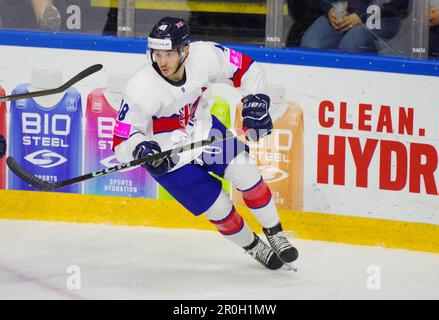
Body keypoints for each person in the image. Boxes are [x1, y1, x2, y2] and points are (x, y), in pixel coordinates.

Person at [112, 17, 299, 270]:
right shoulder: (141, 87)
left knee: (247, 174)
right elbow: (122, 140)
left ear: (184, 50)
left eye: (168, 53)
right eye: (157, 53)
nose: (162, 61)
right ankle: (254, 247)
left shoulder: (204, 56)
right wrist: (141, 148)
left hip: (205, 133)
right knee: (220, 209)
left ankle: (274, 232)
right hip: (169, 158)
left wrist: (256, 100)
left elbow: (248, 69)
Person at [300, 0, 401, 52]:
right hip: (342, 11)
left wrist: (364, 15)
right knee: (311, 44)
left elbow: (398, 3)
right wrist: (330, 7)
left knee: (352, 45)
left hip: (380, 16)